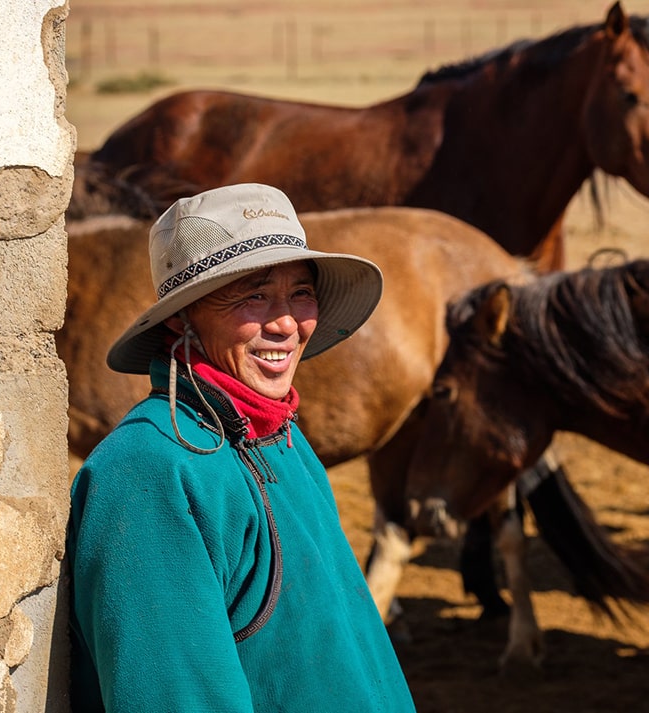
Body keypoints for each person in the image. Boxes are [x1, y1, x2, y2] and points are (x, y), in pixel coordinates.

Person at [66, 183, 416, 712]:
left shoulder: (284, 439)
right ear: (181, 319)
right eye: (252, 295)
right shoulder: (148, 475)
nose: (285, 324)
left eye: (301, 293)